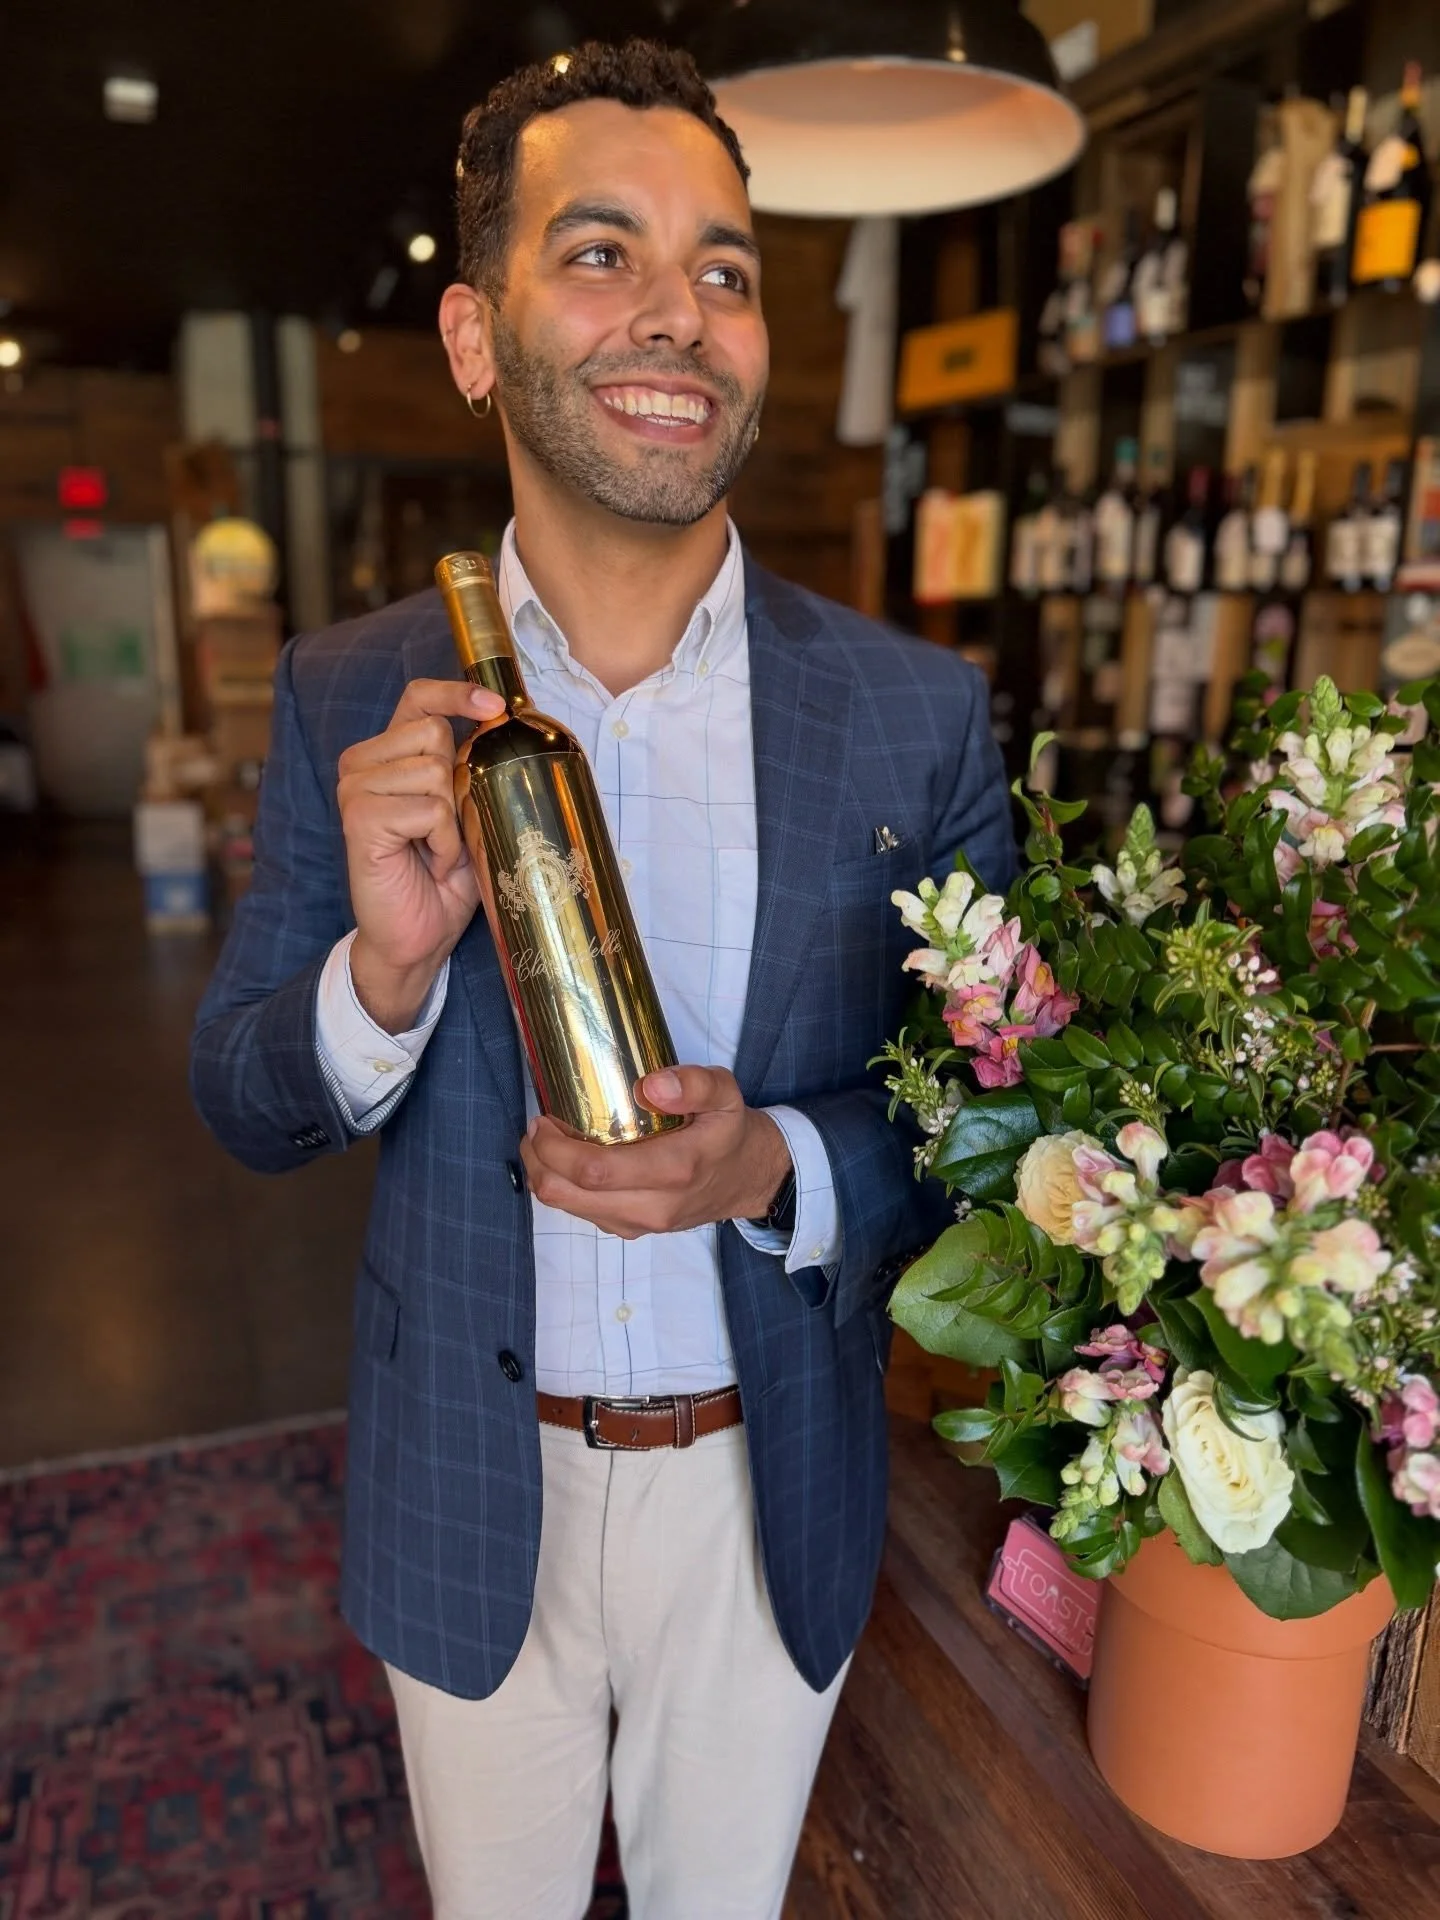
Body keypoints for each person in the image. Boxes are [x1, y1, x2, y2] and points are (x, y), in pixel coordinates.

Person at [191, 37, 1015, 1920]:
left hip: (768, 1500)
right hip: (471, 1495)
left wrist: (778, 1170)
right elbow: (241, 1092)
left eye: (725, 271)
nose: (680, 316)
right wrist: (381, 982)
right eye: (603, 255)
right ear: (474, 338)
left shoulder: (911, 715)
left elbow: (997, 1133)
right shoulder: (350, 688)